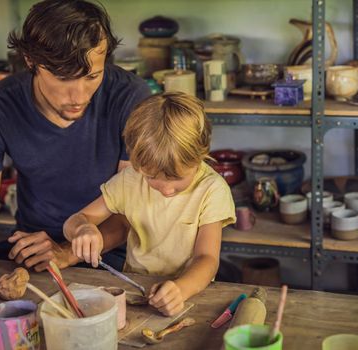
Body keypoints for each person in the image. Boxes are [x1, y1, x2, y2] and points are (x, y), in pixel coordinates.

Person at [0, 0, 150, 294]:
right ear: (31, 60)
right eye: (63, 78)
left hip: (110, 254)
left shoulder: (130, 97)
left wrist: (67, 252)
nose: (79, 95)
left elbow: (127, 215)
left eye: (92, 76)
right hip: (31, 252)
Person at [63, 92, 236, 316]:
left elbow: (207, 259)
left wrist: (181, 289)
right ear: (136, 161)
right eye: (152, 177)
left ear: (200, 156)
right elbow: (75, 221)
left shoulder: (211, 189)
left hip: (191, 291)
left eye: (176, 179)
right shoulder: (130, 180)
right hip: (136, 287)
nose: (166, 189)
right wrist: (83, 228)